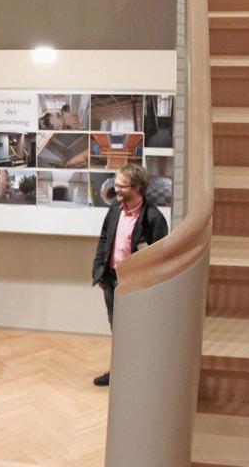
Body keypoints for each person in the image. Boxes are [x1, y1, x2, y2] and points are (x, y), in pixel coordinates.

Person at [90, 163, 169, 387]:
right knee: (117, 327)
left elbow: (160, 258)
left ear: (137, 188)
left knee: (138, 330)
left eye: (121, 186)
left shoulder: (153, 218)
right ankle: (119, 373)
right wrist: (100, 273)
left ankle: (139, 376)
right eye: (115, 184)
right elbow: (104, 240)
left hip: (137, 285)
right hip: (112, 280)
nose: (116, 189)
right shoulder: (115, 209)